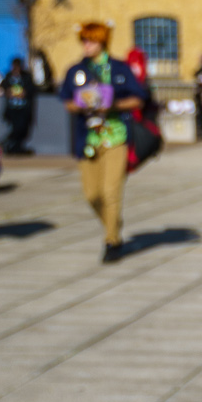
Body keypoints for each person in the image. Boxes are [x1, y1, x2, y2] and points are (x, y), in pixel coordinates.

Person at [59, 21, 147, 263]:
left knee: (110, 192)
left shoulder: (119, 68)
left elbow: (138, 98)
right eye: (84, 41)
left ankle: (111, 241)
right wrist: (83, 104)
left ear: (102, 42)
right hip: (88, 138)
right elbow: (67, 102)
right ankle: (113, 223)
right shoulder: (76, 70)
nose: (86, 45)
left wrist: (113, 105)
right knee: (92, 195)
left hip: (115, 136)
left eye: (91, 41)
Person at [1, 55, 36, 156]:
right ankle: (10, 145)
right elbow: (3, 86)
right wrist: (8, 92)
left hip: (23, 108)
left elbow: (31, 89)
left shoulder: (26, 77)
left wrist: (24, 93)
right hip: (12, 108)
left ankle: (16, 147)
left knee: (22, 128)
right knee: (16, 128)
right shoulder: (8, 76)